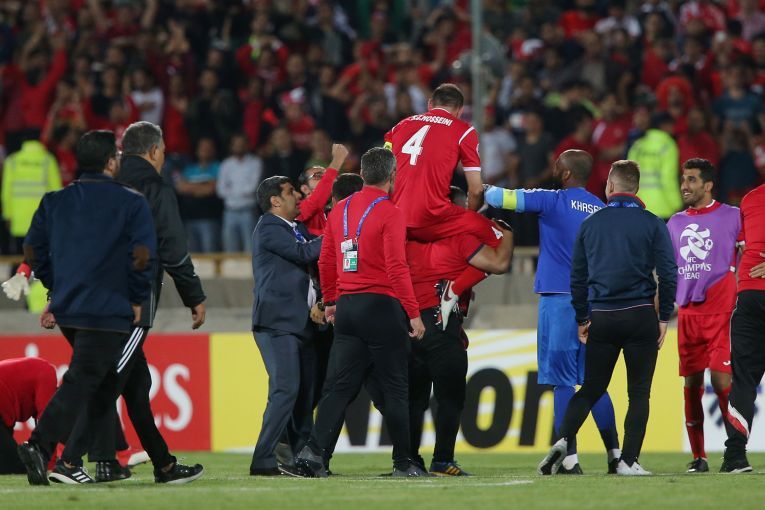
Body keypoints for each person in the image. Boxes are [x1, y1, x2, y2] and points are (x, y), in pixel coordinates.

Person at [61, 121, 206, 484]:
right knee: (109, 378)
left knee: (136, 384)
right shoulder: (155, 188)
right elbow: (173, 250)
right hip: (130, 302)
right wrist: (194, 296)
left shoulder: (100, 184)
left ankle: (159, 465)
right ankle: (69, 460)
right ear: (154, 151)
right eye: (163, 152)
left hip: (87, 295)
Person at [17, 129, 157, 486]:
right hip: (107, 309)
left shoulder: (53, 200)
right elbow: (143, 256)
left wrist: (55, 286)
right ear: (111, 162)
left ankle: (106, 460)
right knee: (84, 379)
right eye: (117, 156)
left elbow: (32, 251)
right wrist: (137, 298)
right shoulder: (131, 201)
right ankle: (41, 446)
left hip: (69, 308)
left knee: (102, 380)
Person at [484, 150, 621, 474]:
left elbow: (500, 197)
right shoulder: (601, 209)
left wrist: (477, 183)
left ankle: (569, 459)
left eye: (557, 165)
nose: (553, 168)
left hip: (559, 300)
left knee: (562, 383)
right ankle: (615, 456)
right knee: (594, 384)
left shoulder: (552, 200)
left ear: (567, 174)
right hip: (595, 304)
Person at [538, 160, 677, 476]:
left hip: (602, 316)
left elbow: (577, 277)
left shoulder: (591, 223)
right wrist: (663, 317)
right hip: (640, 315)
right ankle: (627, 461)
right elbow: (669, 273)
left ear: (610, 186)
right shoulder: (653, 222)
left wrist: (582, 317)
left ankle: (564, 440)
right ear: (636, 188)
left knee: (590, 387)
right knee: (638, 392)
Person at [294, 148, 426, 478]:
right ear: (393, 176)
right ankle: (404, 462)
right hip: (381, 307)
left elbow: (326, 260)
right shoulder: (391, 212)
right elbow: (396, 267)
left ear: (363, 174)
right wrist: (413, 312)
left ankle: (314, 454)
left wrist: (331, 301)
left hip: (348, 307)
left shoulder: (339, 209)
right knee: (395, 388)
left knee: (337, 387)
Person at [406, 186, 514, 476]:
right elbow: (499, 262)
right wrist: (507, 232)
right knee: (450, 397)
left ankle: (407, 461)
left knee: (413, 398)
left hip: (409, 321)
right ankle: (442, 460)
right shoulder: (460, 239)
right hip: (441, 323)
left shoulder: (407, 237)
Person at [384, 83, 503, 329]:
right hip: (432, 217)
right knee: (501, 242)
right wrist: (469, 219)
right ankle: (455, 289)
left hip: (394, 218)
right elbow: (475, 189)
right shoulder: (464, 131)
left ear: (430, 104)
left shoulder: (399, 126)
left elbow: (381, 170)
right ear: (459, 110)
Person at [666, 159, 741, 473]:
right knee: (691, 384)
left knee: (722, 381)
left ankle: (735, 454)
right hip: (687, 314)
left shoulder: (733, 216)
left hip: (721, 312)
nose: (685, 186)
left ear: (708, 185)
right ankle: (699, 457)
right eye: (684, 179)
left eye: (692, 180)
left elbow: (750, 251)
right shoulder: (674, 222)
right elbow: (670, 269)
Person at [250, 174, 323, 476]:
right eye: (291, 192)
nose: (298, 196)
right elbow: (303, 253)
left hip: (300, 323)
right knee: (285, 389)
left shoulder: (295, 228)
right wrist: (340, 232)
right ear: (275, 201)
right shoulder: (269, 226)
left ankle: (301, 459)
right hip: (277, 323)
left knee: (303, 395)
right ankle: (263, 459)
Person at [721, 181, 765, 473]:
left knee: (744, 381)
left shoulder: (750, 199)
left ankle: (735, 457)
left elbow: (742, 243)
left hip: (749, 296)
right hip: (750, 296)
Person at [1, 130, 62, 253]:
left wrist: (7, 215)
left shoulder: (12, 161)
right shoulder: (48, 160)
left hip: (18, 221)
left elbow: (6, 192)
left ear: (23, 141)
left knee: (20, 258)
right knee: (40, 259)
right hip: (42, 220)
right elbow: (57, 192)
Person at [0, 358, 56, 475]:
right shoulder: (48, 373)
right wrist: (50, 465)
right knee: (18, 467)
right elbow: (48, 423)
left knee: (14, 461)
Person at [627, 111, 683, 220]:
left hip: (639, 208)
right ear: (664, 125)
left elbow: (629, 178)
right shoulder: (668, 144)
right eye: (671, 125)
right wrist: (676, 204)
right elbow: (668, 178)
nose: (674, 129)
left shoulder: (637, 145)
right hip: (663, 208)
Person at [217, 133, 263, 252]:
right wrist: (241, 190)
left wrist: (231, 189)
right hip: (229, 212)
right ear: (231, 146)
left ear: (247, 145)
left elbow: (252, 188)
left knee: (250, 249)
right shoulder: (226, 164)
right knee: (230, 250)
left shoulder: (255, 162)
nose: (239, 147)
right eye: (236, 144)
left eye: (241, 144)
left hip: (248, 211)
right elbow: (220, 190)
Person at [296, 144, 349, 236]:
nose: (325, 179)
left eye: (326, 175)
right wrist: (337, 160)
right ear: (305, 189)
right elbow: (316, 201)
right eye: (318, 176)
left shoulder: (333, 212)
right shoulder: (298, 209)